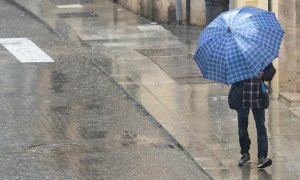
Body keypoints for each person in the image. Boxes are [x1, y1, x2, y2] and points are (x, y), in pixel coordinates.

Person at [228, 63, 276, 168]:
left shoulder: (260, 55)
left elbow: (271, 71)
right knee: (242, 128)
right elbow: (230, 75)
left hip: (258, 97)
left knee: (261, 127)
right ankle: (245, 154)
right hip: (242, 97)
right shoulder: (236, 57)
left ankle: (262, 157)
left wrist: (263, 74)